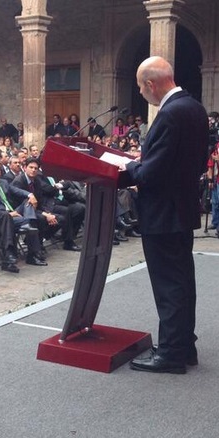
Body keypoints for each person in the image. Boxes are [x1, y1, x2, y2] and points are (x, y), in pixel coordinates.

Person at [116, 56, 209, 374]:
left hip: (163, 212)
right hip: (181, 207)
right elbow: (191, 162)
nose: (142, 94)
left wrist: (128, 166)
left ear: (151, 84)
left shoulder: (171, 113)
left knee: (169, 285)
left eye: (141, 88)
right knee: (182, 282)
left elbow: (151, 173)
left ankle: (171, 354)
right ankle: (183, 346)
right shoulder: (194, 107)